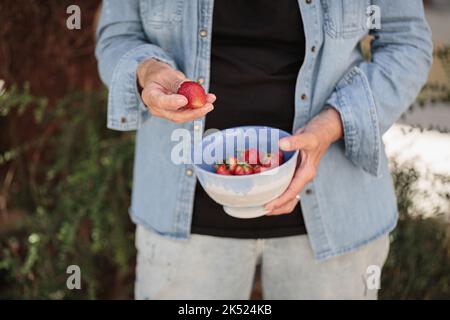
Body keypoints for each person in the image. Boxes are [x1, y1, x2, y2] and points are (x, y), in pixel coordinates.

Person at [95, 0, 432, 299]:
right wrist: (148, 71)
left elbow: (407, 43)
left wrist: (332, 125)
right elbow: (117, 36)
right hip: (182, 219)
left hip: (333, 211)